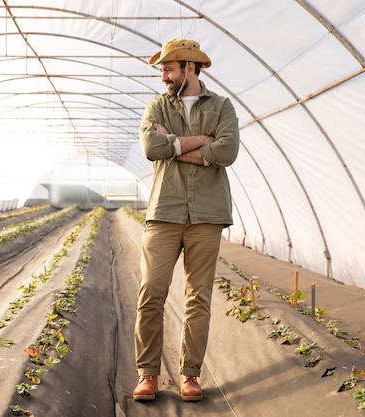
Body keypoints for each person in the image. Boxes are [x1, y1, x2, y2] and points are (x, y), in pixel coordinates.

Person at [133, 38, 240, 402]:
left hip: (207, 215)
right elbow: (151, 149)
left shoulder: (222, 106)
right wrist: (198, 143)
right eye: (162, 69)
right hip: (164, 212)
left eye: (168, 68)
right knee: (151, 293)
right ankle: (148, 374)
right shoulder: (156, 107)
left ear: (190, 68)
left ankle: (189, 375)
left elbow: (227, 151)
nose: (163, 75)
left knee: (198, 298)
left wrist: (174, 145)